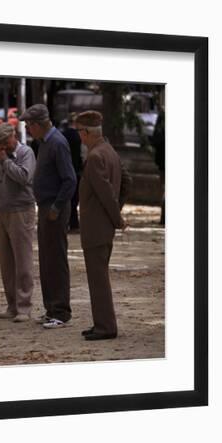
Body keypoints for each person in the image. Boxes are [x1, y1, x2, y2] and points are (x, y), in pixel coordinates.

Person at [20, 104, 77, 329]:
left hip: (55, 209)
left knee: (56, 260)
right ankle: (51, 308)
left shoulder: (57, 143)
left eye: (28, 125)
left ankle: (61, 311)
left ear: (37, 125)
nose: (27, 129)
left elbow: (70, 179)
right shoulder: (44, 143)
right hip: (45, 207)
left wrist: (57, 206)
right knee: (46, 260)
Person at [75, 110, 130, 340]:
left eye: (79, 132)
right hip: (102, 227)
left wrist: (117, 217)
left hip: (97, 228)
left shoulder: (96, 156)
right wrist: (117, 210)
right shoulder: (110, 151)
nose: (79, 137)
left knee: (98, 280)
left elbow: (106, 193)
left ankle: (106, 327)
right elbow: (127, 181)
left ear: (87, 132)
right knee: (98, 278)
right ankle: (101, 323)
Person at [0, 123, 37, 322]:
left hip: (20, 211)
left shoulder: (26, 153)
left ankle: (24, 306)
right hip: (1, 212)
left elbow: (24, 177)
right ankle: (12, 305)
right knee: (6, 261)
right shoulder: (0, 155)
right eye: (0, 143)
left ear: (14, 136)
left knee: (22, 260)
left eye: (5, 141)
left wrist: (6, 161)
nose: (3, 145)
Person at [62, 112, 83, 232]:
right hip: (75, 170)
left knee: (67, 198)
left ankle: (67, 222)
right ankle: (74, 224)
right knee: (74, 200)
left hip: (65, 169)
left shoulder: (64, 135)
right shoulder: (78, 137)